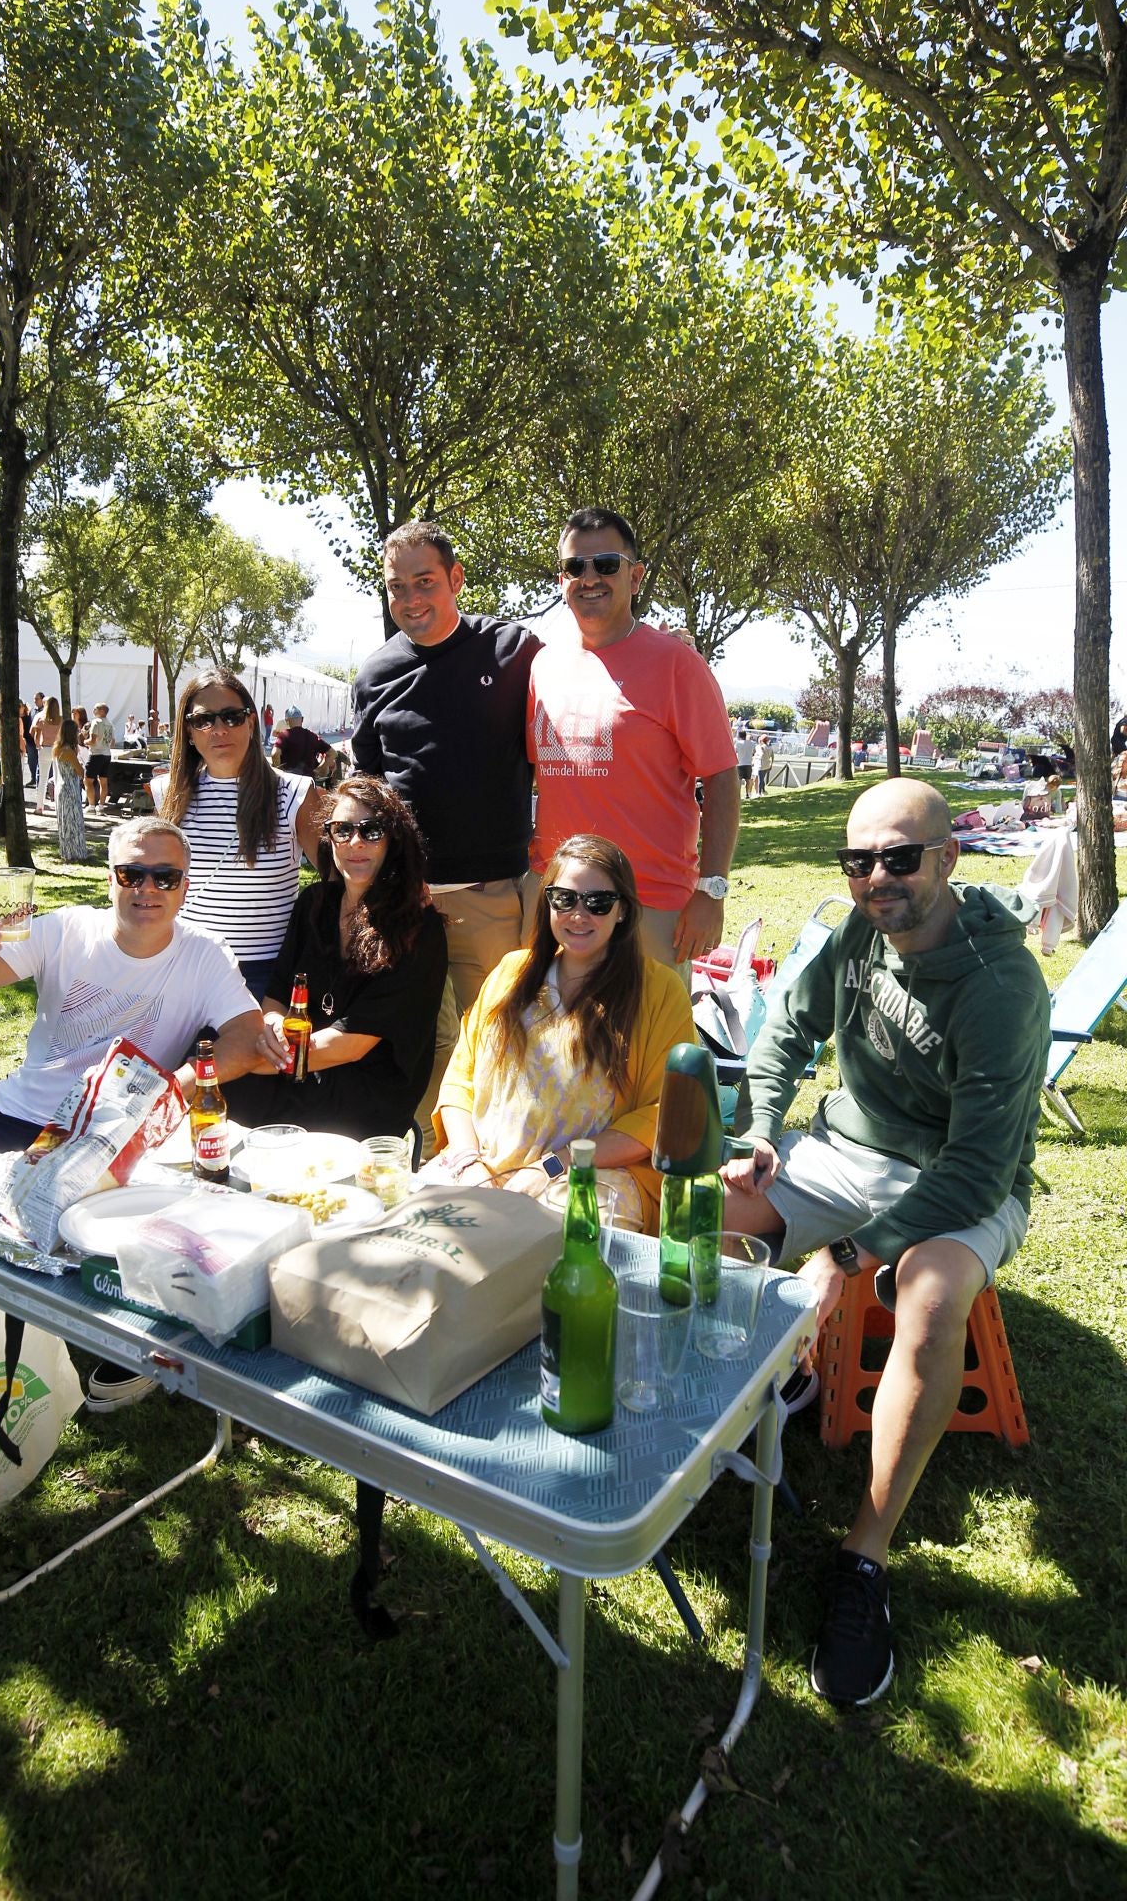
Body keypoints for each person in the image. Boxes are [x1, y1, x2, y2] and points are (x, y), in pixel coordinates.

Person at [720, 779, 1050, 1708]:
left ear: (947, 858)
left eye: (899, 857)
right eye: (858, 860)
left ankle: (864, 1557)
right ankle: (776, 1388)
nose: (877, 878)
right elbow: (784, 1029)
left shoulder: (1000, 987)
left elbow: (979, 1174)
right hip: (844, 1153)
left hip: (958, 1177)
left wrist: (852, 1254)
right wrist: (760, 1130)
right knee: (705, 1218)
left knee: (933, 1292)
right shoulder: (857, 935)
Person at [0, 817, 264, 1370]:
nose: (147, 889)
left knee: (93, 1256)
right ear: (108, 879)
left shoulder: (204, 955)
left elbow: (247, 1038)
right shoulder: (65, 930)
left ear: (185, 885)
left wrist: (173, 1086)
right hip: (14, 1112)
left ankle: (114, 1367)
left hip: (109, 1136)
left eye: (165, 877)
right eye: (131, 873)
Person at [351, 519, 541, 1144]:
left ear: (456, 579)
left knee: (497, 1038)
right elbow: (370, 787)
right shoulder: (375, 674)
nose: (410, 599)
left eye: (425, 582)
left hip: (489, 896)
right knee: (421, 1044)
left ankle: (496, 1161)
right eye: (396, 587)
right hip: (404, 902)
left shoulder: (515, 652)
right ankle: (430, 1158)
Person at [427, 836, 697, 1234]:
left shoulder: (659, 992)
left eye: (598, 902)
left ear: (622, 910)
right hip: (480, 1164)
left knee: (560, 1239)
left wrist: (554, 1166)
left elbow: (666, 1113)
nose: (578, 915)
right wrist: (467, 1159)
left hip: (590, 1175)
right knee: (417, 1227)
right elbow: (459, 1081)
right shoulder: (511, 973)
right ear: (547, 902)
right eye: (564, 899)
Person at [527, 508, 740, 974]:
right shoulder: (543, 667)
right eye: (574, 567)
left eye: (605, 564)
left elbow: (723, 779)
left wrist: (712, 890)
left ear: (635, 576)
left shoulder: (676, 665)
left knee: (647, 1046)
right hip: (559, 902)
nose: (589, 578)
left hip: (650, 905)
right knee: (554, 1044)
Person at [230, 778, 448, 1140]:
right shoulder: (314, 903)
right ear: (328, 838)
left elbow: (351, 1044)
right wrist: (271, 1029)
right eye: (342, 830)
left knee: (225, 1077)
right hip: (300, 1068)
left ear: (393, 840)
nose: (356, 842)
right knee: (215, 1078)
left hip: (364, 1089)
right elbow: (278, 994)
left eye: (372, 830)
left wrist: (256, 1059)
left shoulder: (417, 927)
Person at [160, 667, 323, 1000]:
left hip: (263, 976)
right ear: (189, 731)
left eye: (232, 717)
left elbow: (340, 875)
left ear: (251, 722)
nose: (219, 729)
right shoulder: (167, 793)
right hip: (181, 968)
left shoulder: (294, 792)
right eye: (204, 720)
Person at [53, 720, 88, 861]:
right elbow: (80, 772)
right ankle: (75, 852)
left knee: (66, 822)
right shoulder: (69, 752)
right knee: (73, 821)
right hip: (70, 788)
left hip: (62, 786)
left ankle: (67, 851)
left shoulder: (58, 748)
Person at [273, 705, 333, 778]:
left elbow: (275, 754)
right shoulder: (312, 736)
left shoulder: (284, 735)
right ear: (302, 719)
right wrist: (319, 769)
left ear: (287, 721)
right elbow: (333, 753)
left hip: (290, 782)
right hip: (308, 782)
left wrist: (279, 774)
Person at [33, 698, 62, 812]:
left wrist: (38, 746)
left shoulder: (42, 719)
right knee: (57, 778)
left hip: (45, 748)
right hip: (57, 749)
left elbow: (36, 735)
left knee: (43, 779)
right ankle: (58, 807)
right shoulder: (61, 720)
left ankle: (39, 807)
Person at [85, 703, 117, 809]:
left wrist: (84, 741)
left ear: (102, 711)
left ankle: (91, 806)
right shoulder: (110, 724)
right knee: (103, 781)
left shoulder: (96, 722)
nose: (93, 711)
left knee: (88, 780)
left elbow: (92, 740)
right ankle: (101, 806)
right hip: (107, 754)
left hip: (96, 754)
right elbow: (112, 743)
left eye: (96, 709)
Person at [734, 728, 754, 799]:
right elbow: (753, 752)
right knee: (748, 780)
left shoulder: (738, 743)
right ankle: (747, 794)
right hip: (748, 763)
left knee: (739, 780)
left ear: (739, 736)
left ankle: (738, 794)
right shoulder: (751, 743)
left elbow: (735, 751)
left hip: (740, 763)